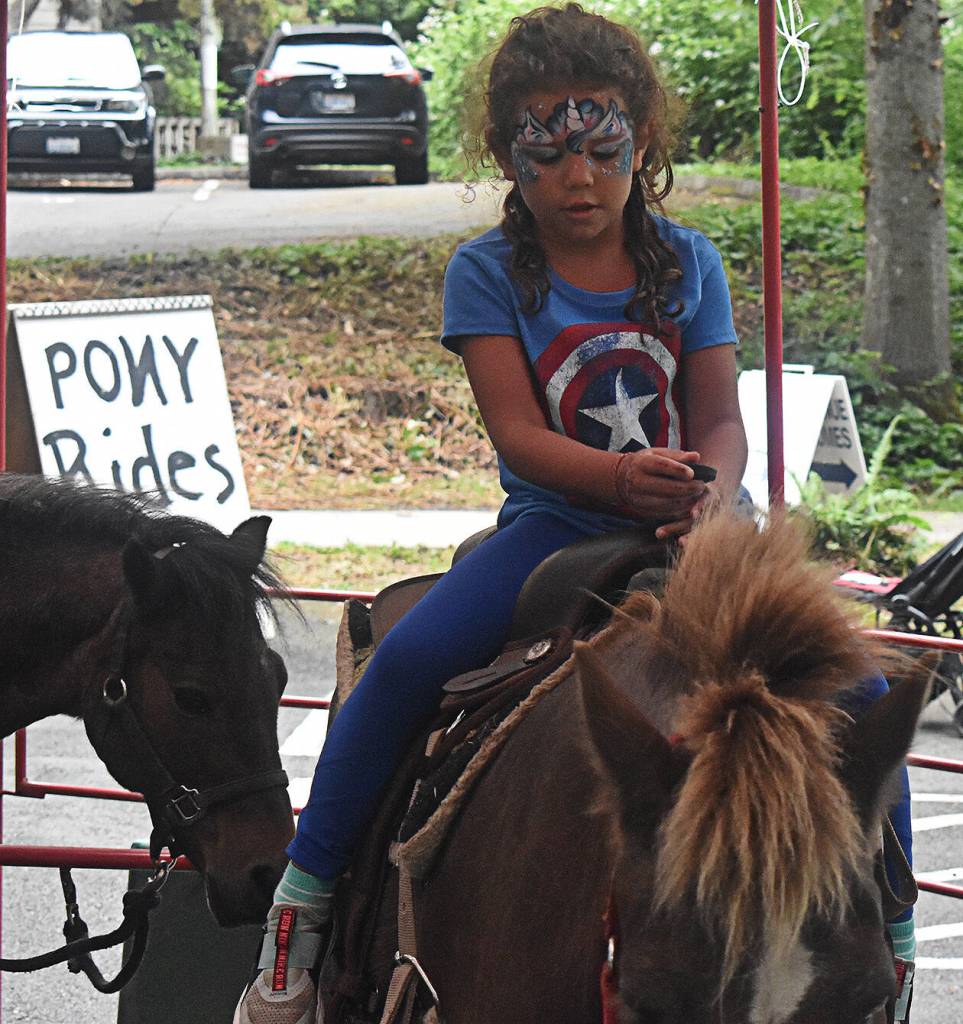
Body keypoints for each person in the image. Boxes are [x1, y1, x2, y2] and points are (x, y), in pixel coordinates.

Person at [235, 6, 913, 1023]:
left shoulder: (688, 263)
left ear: (643, 142)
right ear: (510, 160)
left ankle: (889, 930)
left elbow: (722, 416)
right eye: (545, 155)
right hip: (555, 529)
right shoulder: (489, 272)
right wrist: (618, 481)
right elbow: (518, 434)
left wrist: (713, 492)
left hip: (700, 537)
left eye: (602, 149)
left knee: (862, 687)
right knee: (410, 662)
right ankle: (308, 899)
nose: (580, 179)